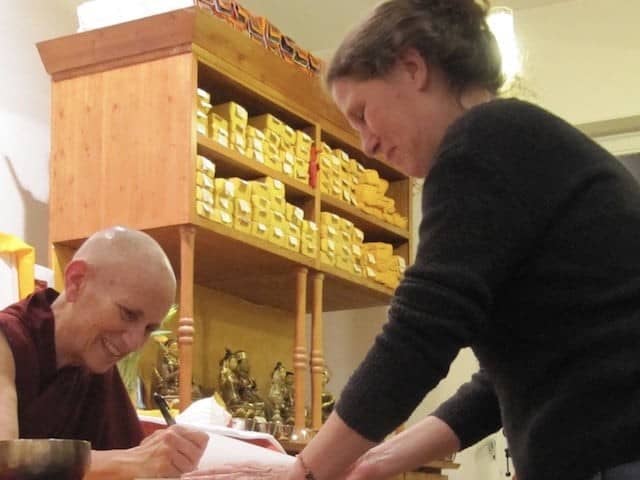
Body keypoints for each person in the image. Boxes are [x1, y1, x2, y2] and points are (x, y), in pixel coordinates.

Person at [194, 1, 640, 480]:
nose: (366, 143)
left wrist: (302, 472)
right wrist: (371, 463)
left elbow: (419, 334)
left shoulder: (482, 139)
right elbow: (498, 386)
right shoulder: (515, 144)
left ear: (412, 68)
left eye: (363, 113)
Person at [0, 226, 209, 479]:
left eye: (148, 329)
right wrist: (130, 462)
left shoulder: (94, 364)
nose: (134, 342)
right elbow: (5, 464)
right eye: (127, 314)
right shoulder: (9, 341)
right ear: (77, 282)